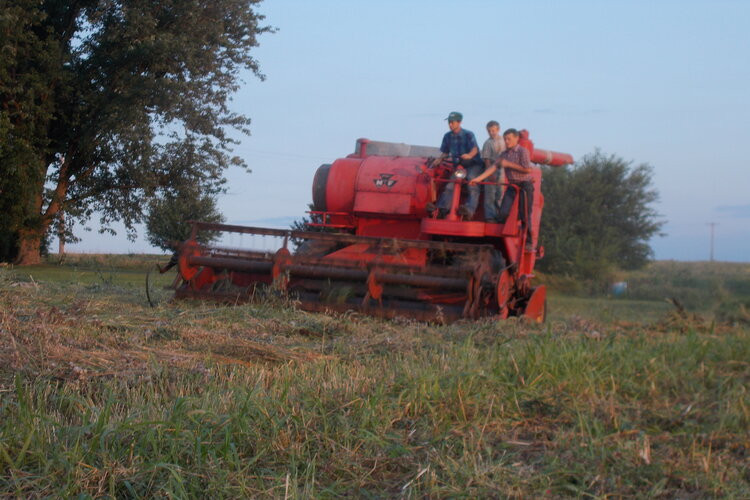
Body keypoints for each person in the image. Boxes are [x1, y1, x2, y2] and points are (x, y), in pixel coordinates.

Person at [470, 128, 535, 250]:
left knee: (525, 214)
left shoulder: (523, 152)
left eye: (509, 139)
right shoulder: (504, 154)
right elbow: (493, 167)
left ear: (516, 139)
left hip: (524, 185)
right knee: (503, 213)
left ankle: (529, 242)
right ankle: (501, 239)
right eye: (505, 139)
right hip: (512, 186)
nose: (506, 141)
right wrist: (478, 179)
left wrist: (509, 164)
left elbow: (528, 170)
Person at [427, 111, 483, 219]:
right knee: (450, 186)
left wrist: (469, 155)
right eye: (449, 122)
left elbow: (475, 149)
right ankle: (441, 210)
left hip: (473, 164)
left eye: (452, 122)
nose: (450, 124)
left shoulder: (468, 134)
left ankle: (469, 211)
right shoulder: (447, 136)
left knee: (472, 183)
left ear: (459, 122)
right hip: (459, 167)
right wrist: (438, 161)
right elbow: (445, 152)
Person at [479, 120, 505, 222]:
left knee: (500, 193)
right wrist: (490, 174)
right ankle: (490, 217)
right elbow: (487, 160)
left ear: (498, 130)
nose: (491, 133)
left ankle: (499, 215)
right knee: (490, 194)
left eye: (493, 130)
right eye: (489, 131)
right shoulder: (487, 143)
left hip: (502, 169)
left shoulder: (504, 141)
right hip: (491, 169)